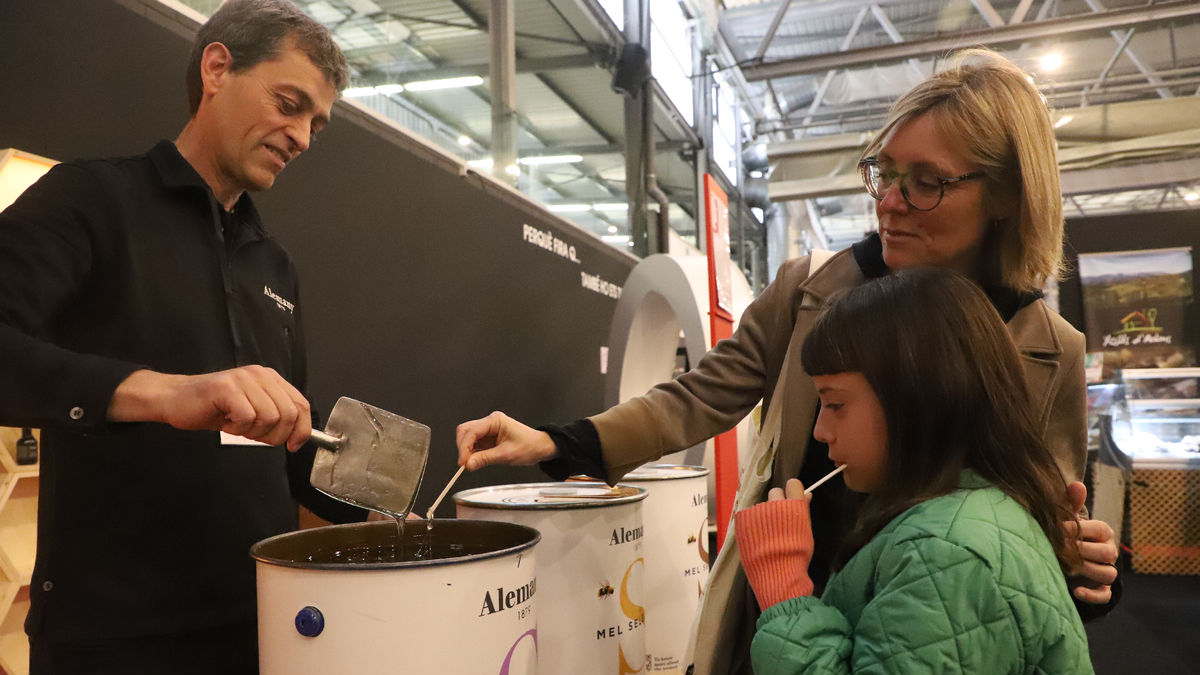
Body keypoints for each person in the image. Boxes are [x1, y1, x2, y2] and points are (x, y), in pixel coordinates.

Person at [455, 49, 1119, 674]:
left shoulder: (1050, 347)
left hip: (928, 618)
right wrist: (556, 441)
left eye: (927, 184)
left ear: (1007, 193)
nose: (889, 201)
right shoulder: (810, 290)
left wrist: (1085, 560)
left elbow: (1038, 523)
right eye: (883, 172)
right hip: (789, 609)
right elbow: (700, 395)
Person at [0, 2, 365, 672]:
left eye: (316, 123)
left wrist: (377, 514)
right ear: (218, 68)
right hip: (113, 637)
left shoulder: (273, 263)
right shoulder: (89, 200)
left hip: (260, 623)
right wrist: (163, 394)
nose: (303, 137)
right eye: (289, 104)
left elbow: (282, 443)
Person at [735, 267, 1093, 674]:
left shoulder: (945, 553)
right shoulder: (959, 519)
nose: (820, 432)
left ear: (918, 398)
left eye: (834, 405)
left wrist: (785, 590)